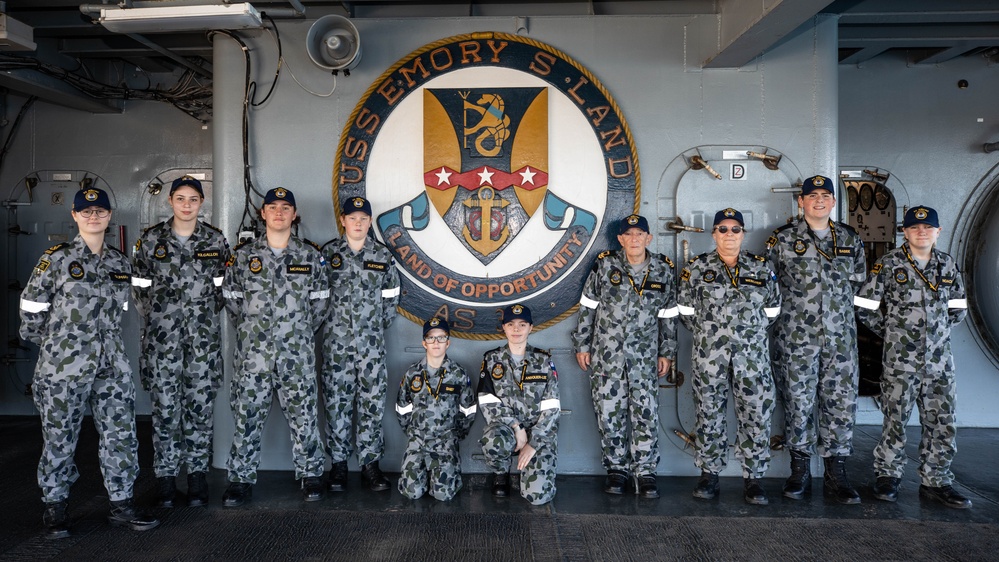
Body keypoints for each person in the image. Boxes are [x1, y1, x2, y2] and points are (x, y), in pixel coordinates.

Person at [19, 187, 159, 538]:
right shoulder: (57, 260)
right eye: (86, 211)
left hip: (111, 365)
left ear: (109, 216)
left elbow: (123, 312)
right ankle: (55, 506)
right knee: (59, 436)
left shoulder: (119, 263)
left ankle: (122, 503)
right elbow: (31, 314)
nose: (93, 216)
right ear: (75, 215)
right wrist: (58, 346)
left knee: (121, 435)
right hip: (63, 366)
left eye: (100, 212)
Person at [854, 205, 972, 509]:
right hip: (900, 362)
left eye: (928, 227)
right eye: (915, 227)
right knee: (895, 421)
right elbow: (864, 307)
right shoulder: (888, 265)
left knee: (942, 422)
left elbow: (958, 308)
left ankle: (938, 481)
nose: (922, 232)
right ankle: (888, 477)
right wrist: (892, 332)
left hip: (939, 363)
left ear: (938, 231)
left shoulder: (947, 266)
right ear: (904, 232)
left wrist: (937, 333)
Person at [221, 187, 330, 506]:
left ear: (295, 215)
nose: (279, 212)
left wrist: (295, 331)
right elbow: (232, 302)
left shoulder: (310, 256)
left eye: (286, 207)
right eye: (272, 207)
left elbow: (320, 304)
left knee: (305, 417)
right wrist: (255, 331)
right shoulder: (243, 257)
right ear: (263, 214)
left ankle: (311, 474)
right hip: (253, 357)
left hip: (297, 356)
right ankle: (240, 479)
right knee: (246, 417)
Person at [766, 175, 866, 504]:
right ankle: (800, 472)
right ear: (801, 201)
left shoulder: (850, 239)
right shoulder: (782, 240)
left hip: (839, 341)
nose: (819, 200)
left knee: (839, 406)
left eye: (825, 195)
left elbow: (859, 286)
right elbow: (768, 288)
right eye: (812, 196)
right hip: (795, 339)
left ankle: (837, 474)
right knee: (798, 404)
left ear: (834, 202)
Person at [132, 176, 229, 508]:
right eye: (181, 198)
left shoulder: (215, 241)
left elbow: (222, 291)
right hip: (163, 343)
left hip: (203, 344)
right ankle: (166, 481)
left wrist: (198, 317)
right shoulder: (150, 241)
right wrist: (165, 317)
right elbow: (140, 289)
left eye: (193, 199)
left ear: (201, 204)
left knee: (200, 410)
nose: (187, 205)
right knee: (165, 412)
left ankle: (198, 478)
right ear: (170, 201)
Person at [677, 208, 781, 505]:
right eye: (722, 229)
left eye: (735, 229)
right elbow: (686, 313)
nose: (729, 234)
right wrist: (712, 335)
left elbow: (772, 312)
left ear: (743, 234)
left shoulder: (761, 268)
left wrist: (747, 335)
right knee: (709, 415)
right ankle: (709, 474)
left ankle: (754, 477)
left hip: (752, 359)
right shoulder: (696, 269)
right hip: (710, 358)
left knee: (755, 415)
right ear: (714, 234)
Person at [572, 214, 677, 498]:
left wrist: (667, 351)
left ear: (648, 238)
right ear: (620, 239)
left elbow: (668, 316)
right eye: (628, 235)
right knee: (609, 413)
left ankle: (645, 472)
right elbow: (588, 307)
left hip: (645, 358)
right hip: (607, 356)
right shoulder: (605, 266)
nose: (634, 239)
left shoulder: (662, 270)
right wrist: (582, 344)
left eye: (639, 234)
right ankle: (617, 469)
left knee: (645, 414)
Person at [321, 197, 400, 492]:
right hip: (336, 346)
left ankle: (370, 465)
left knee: (371, 405)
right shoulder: (328, 254)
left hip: (371, 347)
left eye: (363, 218)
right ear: (343, 220)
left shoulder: (382, 255)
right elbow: (317, 298)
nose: (357, 223)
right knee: (336, 404)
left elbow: (392, 297)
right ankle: (339, 466)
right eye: (352, 217)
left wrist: (374, 327)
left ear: (369, 222)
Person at [478, 304, 560, 505]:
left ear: (530, 328)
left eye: (522, 324)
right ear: (503, 328)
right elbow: (487, 402)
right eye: (511, 324)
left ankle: (533, 473)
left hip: (537, 433)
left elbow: (552, 408)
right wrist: (516, 426)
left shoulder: (544, 361)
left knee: (537, 496)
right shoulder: (491, 360)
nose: (516, 329)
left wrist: (534, 442)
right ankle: (501, 472)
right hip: (507, 430)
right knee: (492, 439)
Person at [395, 317, 477, 501]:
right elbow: (402, 408)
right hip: (418, 441)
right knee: (412, 493)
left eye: (441, 338)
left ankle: (448, 475)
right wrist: (412, 432)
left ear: (448, 342)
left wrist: (456, 434)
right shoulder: (412, 373)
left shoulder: (459, 374)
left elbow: (468, 410)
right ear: (424, 343)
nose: (436, 343)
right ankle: (420, 475)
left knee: (443, 495)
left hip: (445, 441)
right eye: (431, 338)